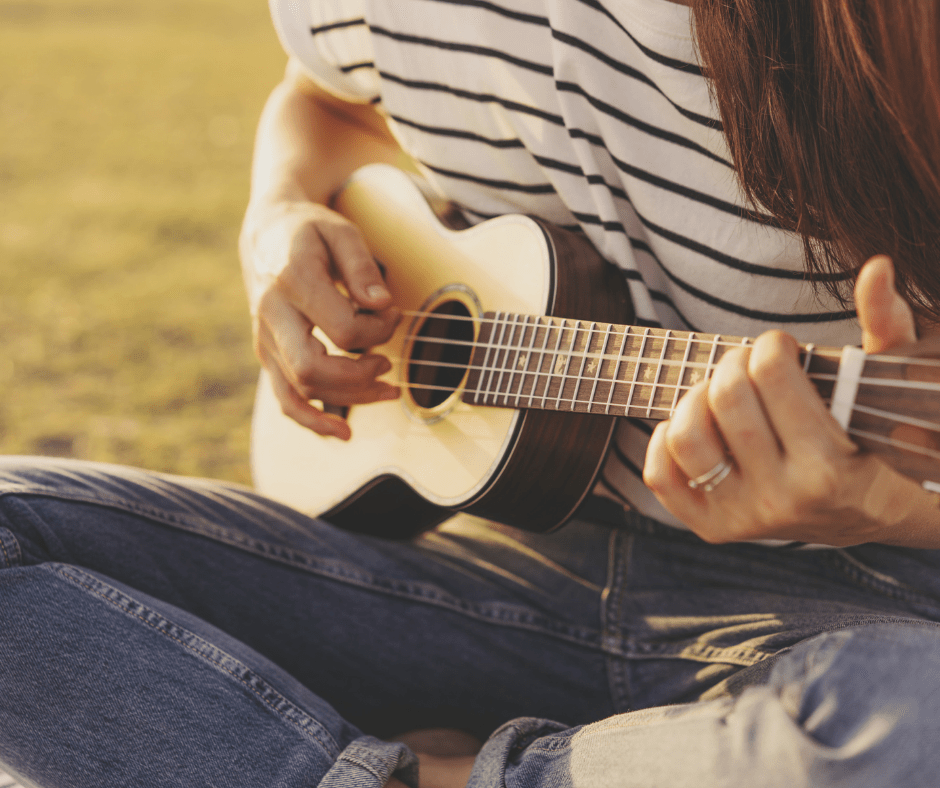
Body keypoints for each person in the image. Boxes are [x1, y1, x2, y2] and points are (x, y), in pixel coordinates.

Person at [3, 0, 940, 785]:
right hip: (502, 564)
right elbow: (327, 100)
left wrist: (895, 509)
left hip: (865, 600)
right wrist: (280, 212)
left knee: (916, 722)